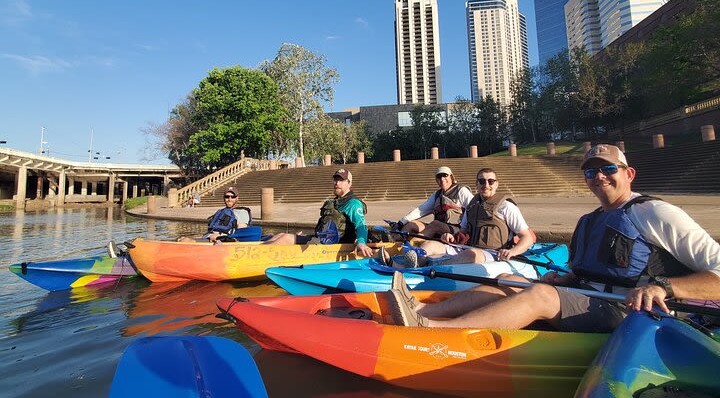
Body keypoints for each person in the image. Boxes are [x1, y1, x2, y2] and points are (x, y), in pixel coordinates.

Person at [388, 144, 720, 331]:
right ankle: (422, 311)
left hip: (635, 314)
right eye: (591, 171)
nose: (598, 176)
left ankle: (435, 332)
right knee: (508, 279)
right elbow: (586, 272)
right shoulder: (590, 220)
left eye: (608, 169)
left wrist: (663, 286)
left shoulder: (656, 213)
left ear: (628, 174)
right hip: (590, 298)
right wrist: (564, 276)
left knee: (543, 296)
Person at [380, 167, 535, 268]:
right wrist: (452, 237)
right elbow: (463, 230)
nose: (486, 184)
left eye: (490, 181)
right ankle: (407, 264)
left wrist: (513, 251)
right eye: (481, 181)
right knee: (430, 246)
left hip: (494, 252)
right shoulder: (473, 205)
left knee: (471, 255)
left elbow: (526, 237)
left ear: (496, 184)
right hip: (468, 246)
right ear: (476, 184)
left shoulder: (506, 207)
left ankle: (430, 268)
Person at [261, 168, 374, 257]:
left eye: (341, 180)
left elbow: (361, 225)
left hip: (333, 246)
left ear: (349, 183)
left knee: (285, 238)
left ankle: (255, 255)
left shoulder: (353, 204)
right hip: (322, 240)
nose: (336, 183)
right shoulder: (335, 202)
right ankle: (252, 249)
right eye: (335, 179)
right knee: (280, 235)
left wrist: (361, 242)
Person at [178, 187, 247, 243]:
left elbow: (242, 231)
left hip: (223, 239)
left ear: (237, 198)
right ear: (224, 198)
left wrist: (219, 236)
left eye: (233, 197)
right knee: (181, 239)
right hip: (210, 236)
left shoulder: (241, 212)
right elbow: (212, 230)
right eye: (227, 196)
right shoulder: (221, 211)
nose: (229, 199)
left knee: (185, 241)